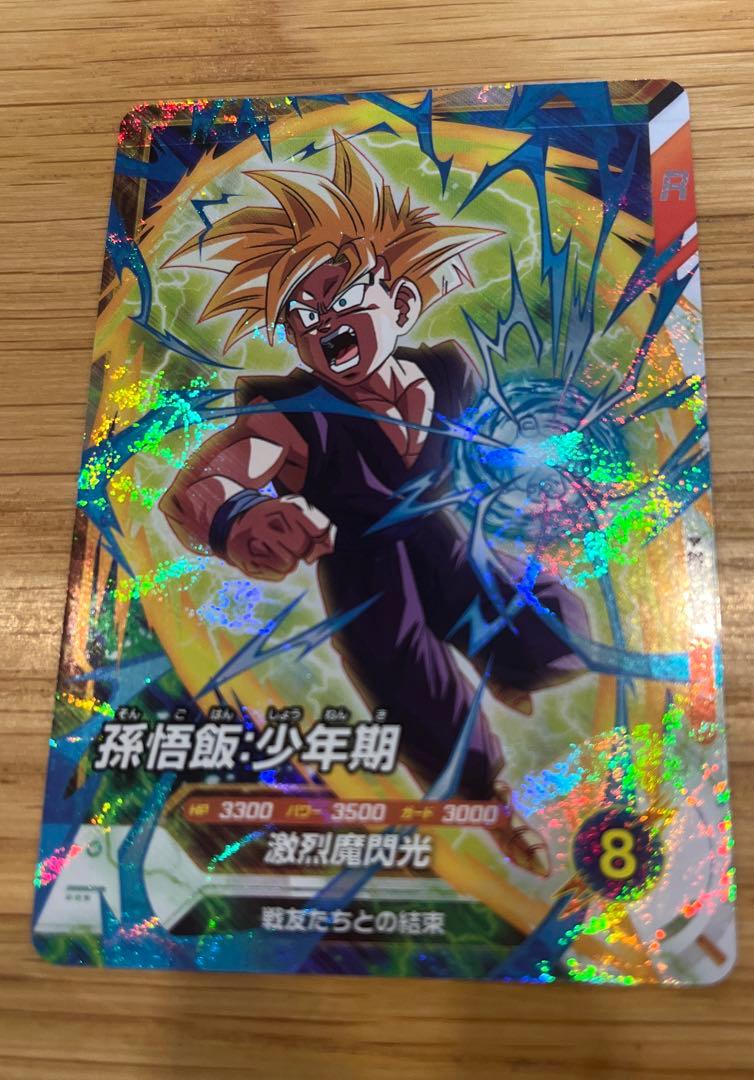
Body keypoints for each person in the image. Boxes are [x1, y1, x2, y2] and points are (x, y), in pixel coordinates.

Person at [161, 134, 589, 876]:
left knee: (548, 633)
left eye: (335, 296)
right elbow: (210, 483)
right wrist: (239, 516)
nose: (319, 321)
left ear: (402, 301)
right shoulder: (294, 417)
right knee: (417, 691)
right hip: (368, 575)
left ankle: (512, 672)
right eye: (299, 315)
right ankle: (493, 809)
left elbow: (485, 450)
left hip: (449, 542)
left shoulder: (447, 373)